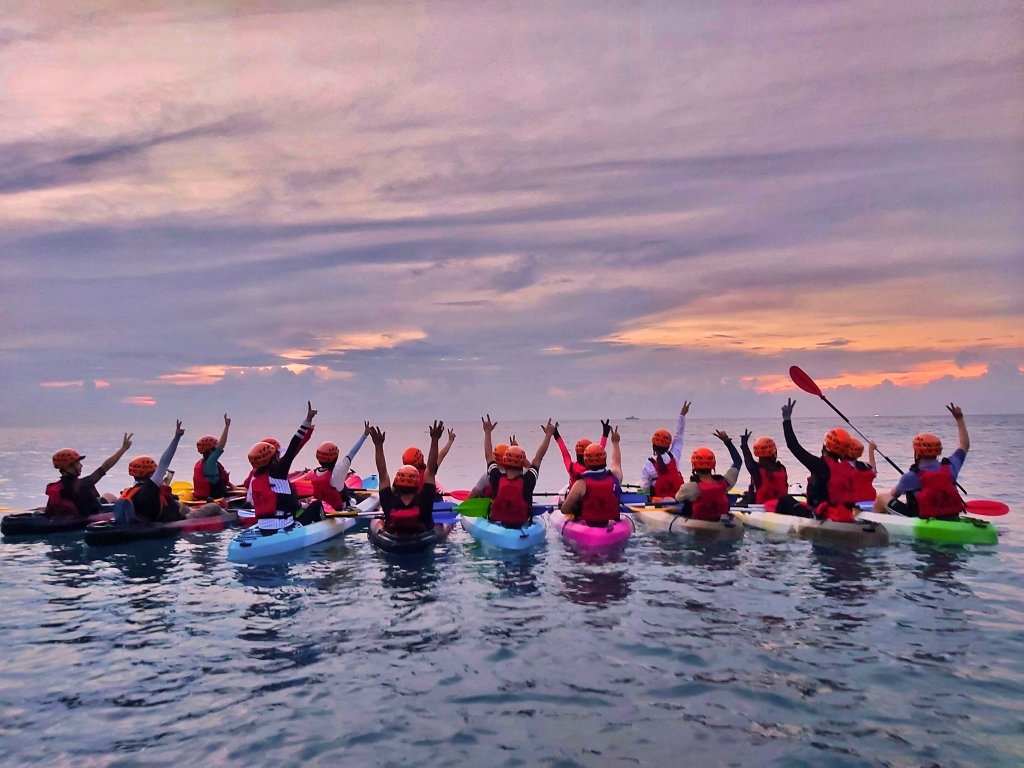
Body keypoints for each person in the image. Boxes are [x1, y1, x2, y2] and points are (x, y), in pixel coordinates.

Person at [114, 421, 219, 523]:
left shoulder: (133, 491)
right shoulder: (149, 489)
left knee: (181, 506)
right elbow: (165, 462)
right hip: (178, 519)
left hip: (171, 510)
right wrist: (177, 437)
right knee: (213, 507)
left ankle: (196, 509)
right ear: (150, 474)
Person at [879, 404, 969, 520]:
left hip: (922, 519)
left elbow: (893, 494)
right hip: (951, 517)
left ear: (917, 452)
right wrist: (959, 419)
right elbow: (964, 445)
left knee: (882, 498)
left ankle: (875, 524)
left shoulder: (911, 476)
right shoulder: (951, 467)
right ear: (938, 451)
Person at [778, 398, 859, 522]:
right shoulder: (849, 467)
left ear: (826, 445)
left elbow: (793, 446)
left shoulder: (819, 465)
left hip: (823, 516)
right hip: (846, 514)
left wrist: (786, 420)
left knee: (785, 500)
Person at [248, 402, 318, 535]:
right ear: (273, 456)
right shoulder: (279, 471)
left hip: (264, 528)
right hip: (284, 527)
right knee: (317, 506)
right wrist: (307, 421)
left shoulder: (256, 476)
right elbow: (294, 445)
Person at [371, 421, 445, 534]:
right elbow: (430, 470)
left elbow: (382, 474)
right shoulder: (425, 500)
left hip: (393, 542)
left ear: (397, 484)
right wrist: (435, 439)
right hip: (423, 540)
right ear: (417, 484)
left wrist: (378, 445)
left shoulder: (389, 501)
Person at [481, 415, 556, 527]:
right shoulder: (529, 480)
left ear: (504, 461)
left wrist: (487, 432)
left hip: (499, 525)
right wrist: (548, 435)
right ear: (522, 463)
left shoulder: (496, 477)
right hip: (522, 524)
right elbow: (538, 458)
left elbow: (488, 456)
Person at [45, 433, 133, 517]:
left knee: (108, 495)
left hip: (78, 512)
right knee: (118, 501)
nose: (81, 465)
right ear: (68, 467)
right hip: (90, 517)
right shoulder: (80, 485)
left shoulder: (61, 486)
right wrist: (123, 449)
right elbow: (104, 467)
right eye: (78, 463)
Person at [561, 426, 624, 526]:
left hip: (588, 524)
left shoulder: (580, 483)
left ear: (586, 462)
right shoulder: (615, 477)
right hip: (609, 523)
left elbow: (565, 509)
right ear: (605, 459)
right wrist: (615, 443)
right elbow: (616, 462)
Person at [674, 431, 742, 521]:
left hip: (699, 525)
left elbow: (678, 499)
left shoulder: (689, 488)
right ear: (713, 465)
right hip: (721, 523)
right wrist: (728, 442)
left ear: (694, 466)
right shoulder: (724, 483)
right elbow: (738, 462)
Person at [307, 421, 371, 515]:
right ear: (335, 457)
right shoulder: (339, 470)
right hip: (340, 509)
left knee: (345, 489)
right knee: (365, 498)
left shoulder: (314, 473)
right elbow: (352, 452)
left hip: (323, 509)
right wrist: (365, 435)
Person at [639, 402, 690, 500]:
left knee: (644, 488)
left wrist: (642, 492)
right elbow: (679, 436)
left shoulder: (649, 463)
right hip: (677, 498)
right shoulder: (675, 456)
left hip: (659, 501)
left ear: (653, 445)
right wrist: (682, 415)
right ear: (668, 445)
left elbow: (645, 487)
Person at [401, 427, 455, 497]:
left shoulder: (402, 477)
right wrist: (450, 441)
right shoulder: (429, 472)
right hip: (428, 503)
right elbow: (441, 456)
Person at [739, 431, 788, 504]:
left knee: (748, 496)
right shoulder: (782, 468)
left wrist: (744, 443)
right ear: (774, 451)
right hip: (782, 505)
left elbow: (747, 457)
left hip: (763, 508)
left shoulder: (756, 469)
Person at [193, 413, 232, 502]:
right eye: (214, 448)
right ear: (210, 450)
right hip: (212, 500)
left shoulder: (205, 462)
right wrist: (227, 427)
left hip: (210, 497)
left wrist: (233, 486)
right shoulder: (210, 462)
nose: (216, 450)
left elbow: (218, 479)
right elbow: (221, 447)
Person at [848, 438, 878, 503]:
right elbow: (874, 471)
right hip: (871, 503)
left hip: (855, 505)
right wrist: (871, 450)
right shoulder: (864, 466)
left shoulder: (840, 467)